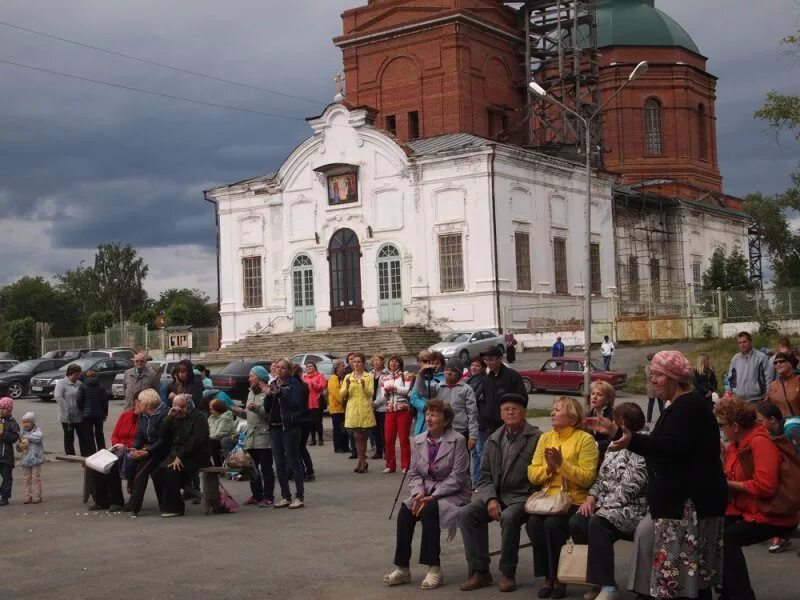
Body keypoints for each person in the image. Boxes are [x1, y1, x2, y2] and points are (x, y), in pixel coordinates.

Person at [585, 350, 727, 600]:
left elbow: (669, 448)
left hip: (689, 508)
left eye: (658, 375)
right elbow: (666, 446)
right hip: (683, 507)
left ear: (674, 378)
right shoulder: (679, 406)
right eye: (652, 374)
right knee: (687, 581)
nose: (652, 380)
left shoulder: (688, 407)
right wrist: (623, 436)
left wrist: (623, 435)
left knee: (685, 581)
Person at [383, 399, 471, 590]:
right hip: (424, 491)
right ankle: (403, 568)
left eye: (434, 415)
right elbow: (413, 473)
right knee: (405, 512)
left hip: (452, 492)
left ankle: (434, 569)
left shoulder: (458, 440)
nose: (429, 419)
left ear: (446, 420)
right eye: (428, 414)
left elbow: (458, 476)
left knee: (430, 510)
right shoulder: (420, 439)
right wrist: (418, 494)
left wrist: (434, 495)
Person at [717, 396, 799, 600]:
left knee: (726, 538)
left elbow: (766, 486)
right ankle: (729, 591)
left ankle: (740, 595)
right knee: (711, 528)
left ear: (735, 426)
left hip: (772, 514)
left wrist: (729, 484)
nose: (721, 429)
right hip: (751, 508)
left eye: (722, 425)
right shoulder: (736, 444)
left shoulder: (759, 442)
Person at [458, 392, 541, 592]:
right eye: (506, 409)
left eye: (515, 409)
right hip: (497, 495)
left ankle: (507, 572)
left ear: (524, 413)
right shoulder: (493, 439)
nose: (510, 412)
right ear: (501, 415)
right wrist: (490, 499)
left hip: (524, 497)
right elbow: (484, 476)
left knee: (510, 517)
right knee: (467, 513)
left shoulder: (537, 437)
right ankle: (480, 572)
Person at [569, 403, 648, 600]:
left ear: (622, 423)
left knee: (598, 522)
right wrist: (591, 497)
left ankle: (608, 587)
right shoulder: (614, 446)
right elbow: (601, 478)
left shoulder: (641, 448)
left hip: (631, 508)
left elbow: (629, 488)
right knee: (577, 521)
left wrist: (603, 507)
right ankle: (596, 579)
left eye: (614, 420)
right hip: (605, 504)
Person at [526, 396, 599, 599]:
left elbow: (587, 478)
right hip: (547, 500)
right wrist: (549, 468)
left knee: (552, 525)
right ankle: (547, 577)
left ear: (572, 417)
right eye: (553, 409)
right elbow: (532, 473)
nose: (552, 413)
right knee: (533, 523)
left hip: (573, 500)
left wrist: (561, 465)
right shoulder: (545, 438)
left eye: (557, 410)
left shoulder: (584, 439)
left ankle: (560, 578)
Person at [152, 394, 210, 517]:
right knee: (157, 472)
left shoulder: (199, 417)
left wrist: (180, 456)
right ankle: (165, 504)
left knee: (172, 471)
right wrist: (168, 418)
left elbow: (196, 441)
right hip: (175, 454)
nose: (180, 409)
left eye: (183, 407)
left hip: (195, 455)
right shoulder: (174, 417)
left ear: (188, 406)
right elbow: (162, 435)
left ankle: (176, 507)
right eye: (177, 406)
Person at [264, 358, 306, 509]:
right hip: (275, 427)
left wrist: (279, 392)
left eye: (282, 368)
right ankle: (285, 496)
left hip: (289, 427)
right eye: (277, 368)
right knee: (279, 464)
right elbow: (267, 407)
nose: (279, 370)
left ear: (288, 370)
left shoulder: (294, 384)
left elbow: (294, 402)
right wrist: (269, 395)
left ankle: (299, 496)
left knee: (294, 462)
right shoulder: (273, 384)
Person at [90, 398, 142, 511]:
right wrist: (116, 444)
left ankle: (116, 501)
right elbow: (115, 434)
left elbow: (140, 439)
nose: (138, 404)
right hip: (118, 448)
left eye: (141, 402)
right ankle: (101, 500)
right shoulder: (125, 416)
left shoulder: (144, 419)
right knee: (96, 465)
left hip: (131, 450)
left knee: (112, 465)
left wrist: (126, 446)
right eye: (137, 401)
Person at [124, 389, 169, 515]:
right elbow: (140, 435)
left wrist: (147, 452)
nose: (137, 403)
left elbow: (163, 440)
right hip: (150, 449)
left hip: (163, 450)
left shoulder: (164, 415)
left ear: (147, 402)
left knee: (142, 469)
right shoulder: (143, 416)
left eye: (140, 401)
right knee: (133, 462)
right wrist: (134, 447)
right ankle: (134, 500)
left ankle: (135, 505)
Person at [236, 365, 274, 507]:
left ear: (260, 378)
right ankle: (256, 495)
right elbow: (248, 414)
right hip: (250, 436)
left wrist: (257, 408)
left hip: (264, 436)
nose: (249, 378)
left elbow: (269, 414)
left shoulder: (267, 393)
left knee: (266, 468)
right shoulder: (250, 392)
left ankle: (268, 496)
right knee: (252, 467)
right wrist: (238, 411)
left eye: (252, 376)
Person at [479, 347, 527, 438]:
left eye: (491, 360)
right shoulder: (487, 379)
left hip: (509, 426)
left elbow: (523, 399)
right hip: (491, 427)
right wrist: (485, 414)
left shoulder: (512, 376)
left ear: (500, 358)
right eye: (486, 360)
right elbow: (483, 399)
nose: (488, 363)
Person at [341, 352, 376, 474]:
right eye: (354, 362)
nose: (356, 364)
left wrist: (363, 385)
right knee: (356, 436)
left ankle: (362, 461)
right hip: (353, 408)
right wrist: (347, 387)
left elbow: (370, 393)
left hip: (364, 407)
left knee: (363, 436)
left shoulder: (368, 377)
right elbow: (342, 394)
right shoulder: (347, 377)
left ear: (363, 363)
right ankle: (362, 461)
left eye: (358, 362)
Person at [380, 355, 413, 474]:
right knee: (388, 439)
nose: (393, 364)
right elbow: (383, 395)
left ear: (400, 364)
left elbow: (408, 390)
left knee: (404, 439)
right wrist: (385, 393)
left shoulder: (406, 375)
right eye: (391, 362)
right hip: (390, 410)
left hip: (403, 409)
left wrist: (395, 389)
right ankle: (390, 465)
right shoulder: (385, 378)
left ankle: (405, 465)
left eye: (396, 362)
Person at [410, 350, 445, 436]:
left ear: (442, 365)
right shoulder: (422, 377)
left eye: (437, 363)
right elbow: (414, 397)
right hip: (424, 416)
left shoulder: (445, 378)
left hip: (440, 416)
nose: (434, 366)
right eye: (432, 363)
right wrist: (426, 407)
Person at [729, 331, 771, 402]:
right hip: (740, 401)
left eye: (744, 342)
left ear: (750, 342)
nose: (742, 345)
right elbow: (731, 377)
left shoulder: (761, 357)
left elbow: (768, 377)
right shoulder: (735, 359)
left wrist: (767, 393)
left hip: (758, 399)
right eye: (740, 343)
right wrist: (735, 391)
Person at [291, 363, 315, 482]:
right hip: (306, 417)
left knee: (296, 448)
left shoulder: (291, 386)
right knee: (302, 447)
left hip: (297, 419)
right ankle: (309, 470)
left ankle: (302, 471)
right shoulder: (304, 385)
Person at [54, 363, 85, 456]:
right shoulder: (62, 383)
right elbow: (58, 397)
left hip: (79, 414)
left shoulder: (79, 383)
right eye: (76, 374)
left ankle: (84, 454)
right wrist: (68, 408)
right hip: (67, 416)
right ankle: (70, 454)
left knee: (82, 436)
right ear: (70, 373)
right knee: (69, 437)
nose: (78, 376)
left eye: (79, 374)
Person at [466, 356, 487, 487]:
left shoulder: (485, 381)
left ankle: (481, 481)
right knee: (473, 452)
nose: (474, 368)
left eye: (477, 366)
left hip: (480, 420)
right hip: (470, 420)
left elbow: (475, 398)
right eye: (472, 365)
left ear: (483, 368)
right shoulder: (469, 380)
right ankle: (475, 480)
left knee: (480, 451)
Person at [76, 369, 108, 453]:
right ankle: (102, 451)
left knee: (89, 434)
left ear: (86, 377)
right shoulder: (101, 386)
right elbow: (105, 401)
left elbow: (79, 400)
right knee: (99, 433)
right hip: (99, 414)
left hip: (87, 415)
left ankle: (92, 452)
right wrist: (105, 413)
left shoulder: (83, 386)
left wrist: (82, 410)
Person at [17, 411, 44, 505]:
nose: (25, 424)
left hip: (36, 459)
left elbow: (39, 437)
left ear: (32, 423)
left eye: (28, 422)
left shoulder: (37, 431)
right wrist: (19, 446)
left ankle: (37, 496)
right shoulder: (22, 434)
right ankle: (27, 496)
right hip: (25, 460)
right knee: (26, 479)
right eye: (24, 422)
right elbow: (19, 447)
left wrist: (27, 437)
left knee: (36, 478)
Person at [763, 351, 800, 418]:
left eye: (782, 361)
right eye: (775, 362)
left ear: (791, 363)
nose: (778, 364)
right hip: (780, 426)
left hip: (796, 425)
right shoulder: (773, 385)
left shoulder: (798, 380)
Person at [587, 381, 615, 459]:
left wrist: (595, 444)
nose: (594, 397)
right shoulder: (589, 414)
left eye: (599, 395)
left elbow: (613, 440)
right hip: (592, 454)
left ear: (607, 399)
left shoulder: (613, 415)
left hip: (607, 456)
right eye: (593, 393)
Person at [0, 397, 20, 506]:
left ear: (9, 410)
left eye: (4, 408)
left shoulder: (13, 423)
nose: (1, 410)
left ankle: (4, 497)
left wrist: (3, 434)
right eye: (0, 408)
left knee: (7, 478)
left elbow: (14, 438)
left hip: (6, 456)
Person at [303, 361, 327, 446]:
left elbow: (323, 386)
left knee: (318, 422)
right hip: (308, 403)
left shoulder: (320, 375)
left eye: (311, 366)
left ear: (314, 367)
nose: (309, 367)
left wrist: (315, 385)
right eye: (308, 366)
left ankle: (320, 439)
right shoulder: (304, 377)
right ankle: (313, 440)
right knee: (310, 422)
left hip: (317, 402)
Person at [208, 398, 237, 467]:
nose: (210, 411)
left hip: (228, 439)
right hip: (215, 438)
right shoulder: (211, 417)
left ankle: (218, 466)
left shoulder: (226, 417)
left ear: (218, 409)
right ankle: (208, 464)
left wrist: (207, 438)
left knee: (212, 442)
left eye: (211, 409)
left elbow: (220, 433)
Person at [328, 360, 349, 453]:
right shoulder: (333, 379)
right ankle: (338, 447)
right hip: (336, 409)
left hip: (343, 408)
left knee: (344, 429)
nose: (344, 368)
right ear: (337, 368)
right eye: (342, 366)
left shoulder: (342, 378)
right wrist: (344, 401)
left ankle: (345, 446)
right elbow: (336, 393)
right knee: (337, 429)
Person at [371, 354, 388, 460]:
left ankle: (387, 450)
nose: (376, 362)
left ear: (383, 361)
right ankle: (378, 450)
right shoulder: (369, 374)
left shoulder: (387, 373)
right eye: (374, 360)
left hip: (382, 405)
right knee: (375, 430)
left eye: (378, 360)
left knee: (384, 430)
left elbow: (385, 392)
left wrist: (376, 403)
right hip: (372, 405)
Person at [644, 353, 663, 423]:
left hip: (658, 386)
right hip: (651, 387)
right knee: (651, 403)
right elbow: (649, 376)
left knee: (661, 403)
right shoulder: (647, 367)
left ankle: (662, 417)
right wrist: (656, 374)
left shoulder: (658, 366)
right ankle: (649, 418)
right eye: (652, 359)